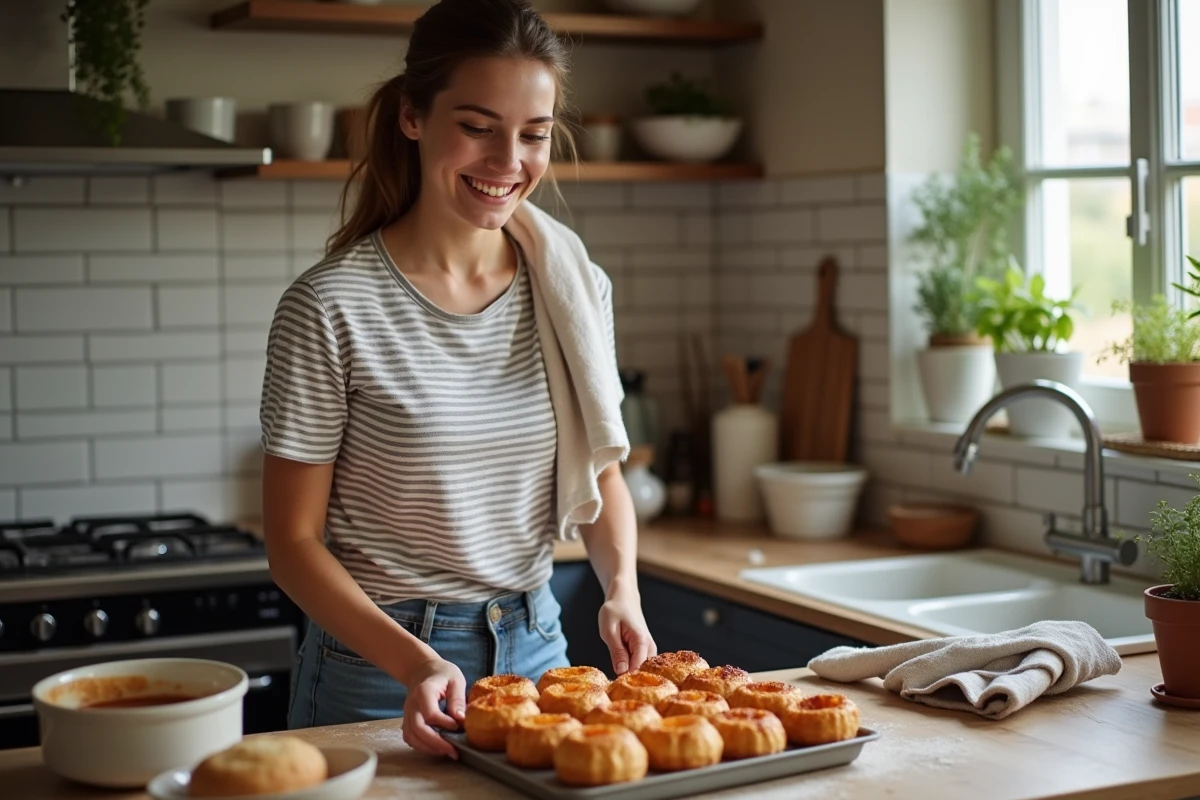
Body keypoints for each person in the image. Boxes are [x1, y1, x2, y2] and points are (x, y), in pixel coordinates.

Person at [258, 0, 655, 760]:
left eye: (533, 135)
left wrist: (621, 590)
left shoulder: (573, 288)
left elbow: (601, 475)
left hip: (540, 653)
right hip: (377, 663)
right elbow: (293, 544)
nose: (509, 162)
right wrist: (415, 661)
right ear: (412, 116)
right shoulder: (331, 307)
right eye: (478, 126)